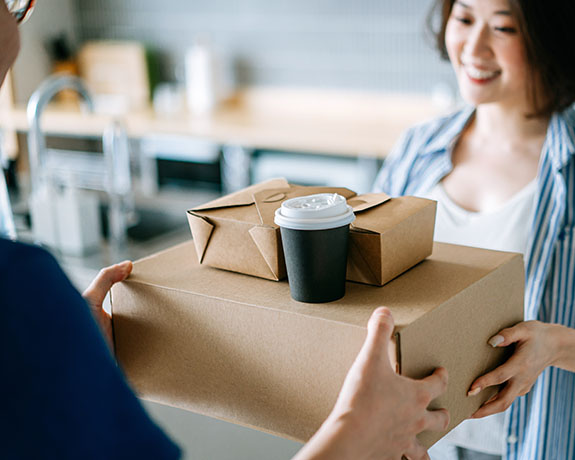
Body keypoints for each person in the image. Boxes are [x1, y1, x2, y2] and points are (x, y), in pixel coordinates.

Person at [0, 3, 450, 459]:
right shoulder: (20, 291)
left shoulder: (27, 300)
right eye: (12, 4)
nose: (19, 13)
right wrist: (358, 433)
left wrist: (71, 361)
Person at [373, 0, 575, 459]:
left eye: (503, 28)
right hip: (419, 444)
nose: (473, 46)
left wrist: (555, 346)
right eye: (463, 19)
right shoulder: (416, 150)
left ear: (551, 40)